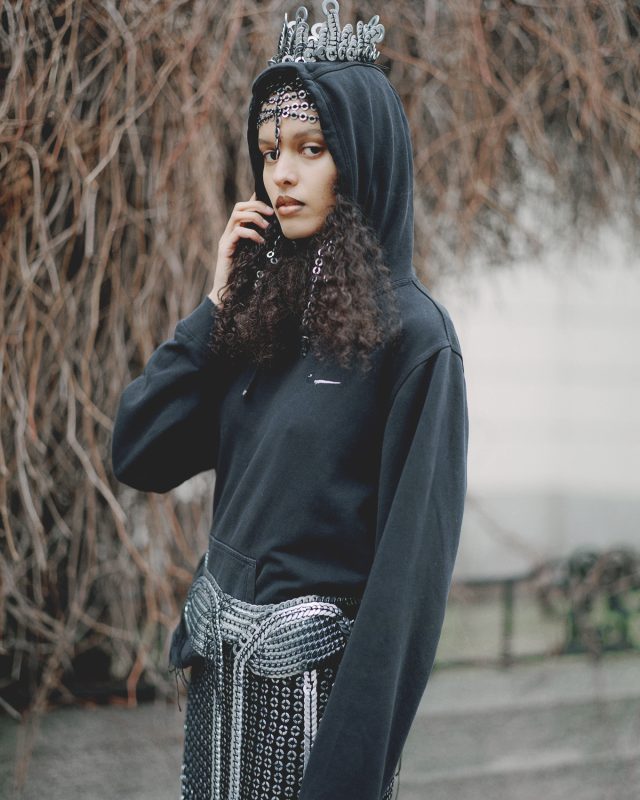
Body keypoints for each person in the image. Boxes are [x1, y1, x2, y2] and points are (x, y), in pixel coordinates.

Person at [111, 2, 469, 799]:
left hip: (313, 725)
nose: (282, 173)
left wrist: (347, 775)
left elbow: (405, 594)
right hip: (215, 705)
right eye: (271, 150)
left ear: (361, 157)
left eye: (312, 149)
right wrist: (213, 308)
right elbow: (138, 453)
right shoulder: (261, 316)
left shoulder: (416, 340)